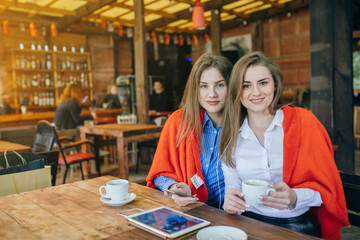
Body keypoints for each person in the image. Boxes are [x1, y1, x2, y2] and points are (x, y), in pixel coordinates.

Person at [219, 52, 349, 239]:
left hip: (296, 225)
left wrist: (295, 197)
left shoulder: (304, 123)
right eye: (246, 86)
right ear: (236, 92)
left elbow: (329, 190)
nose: (256, 92)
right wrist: (229, 203)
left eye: (263, 83)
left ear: (275, 85)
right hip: (249, 225)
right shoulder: (231, 137)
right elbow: (232, 190)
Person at [146, 53, 233, 208]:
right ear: (195, 88)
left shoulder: (243, 124)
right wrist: (174, 187)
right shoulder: (179, 121)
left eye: (220, 85)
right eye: (204, 86)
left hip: (234, 216)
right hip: (190, 211)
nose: (212, 94)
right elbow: (159, 174)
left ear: (231, 86)